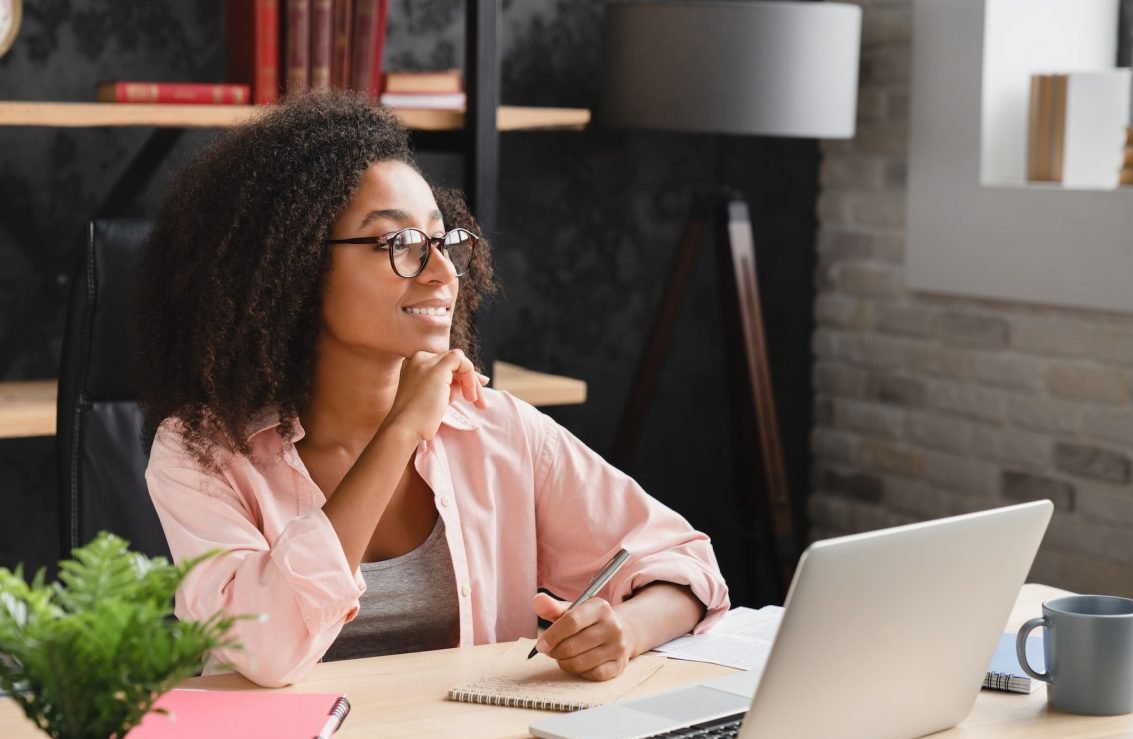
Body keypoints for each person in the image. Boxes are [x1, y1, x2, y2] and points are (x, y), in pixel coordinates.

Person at [133, 92, 729, 688]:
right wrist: (399, 433)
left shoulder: (496, 428)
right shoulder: (201, 453)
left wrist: (626, 630)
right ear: (294, 270)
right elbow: (266, 651)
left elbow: (682, 561)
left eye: (444, 243)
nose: (442, 272)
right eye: (399, 245)